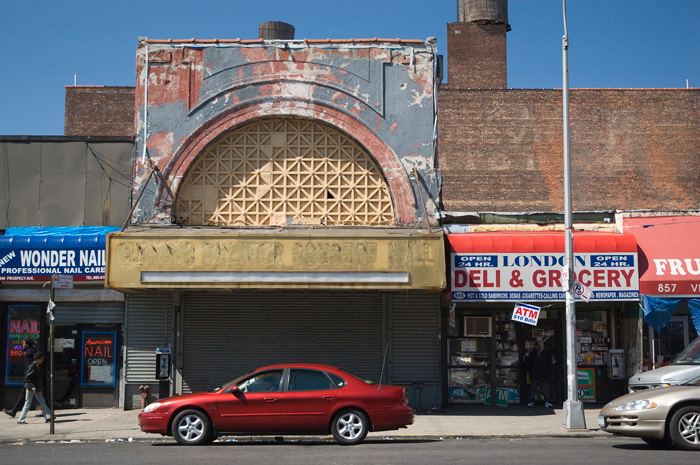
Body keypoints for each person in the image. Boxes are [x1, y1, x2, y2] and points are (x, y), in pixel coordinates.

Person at [3, 339, 37, 418]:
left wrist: (27, 378)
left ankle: (14, 411)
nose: (22, 345)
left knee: (26, 396)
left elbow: (29, 367)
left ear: (27, 344)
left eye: (24, 343)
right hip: (33, 378)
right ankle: (47, 412)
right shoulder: (33, 351)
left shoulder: (29, 353)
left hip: (30, 378)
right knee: (39, 396)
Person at [17, 351, 51, 424]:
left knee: (41, 402)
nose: (42, 360)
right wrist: (32, 386)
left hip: (35, 387)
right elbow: (28, 378)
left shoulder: (36, 366)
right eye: (41, 359)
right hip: (32, 388)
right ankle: (21, 419)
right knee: (28, 403)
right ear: (37, 359)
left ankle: (48, 416)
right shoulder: (33, 366)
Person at [524, 340, 554, 408]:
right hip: (534, 375)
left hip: (543, 376)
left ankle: (547, 401)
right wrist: (531, 373)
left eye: (538, 345)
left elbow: (549, 365)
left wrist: (547, 374)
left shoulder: (546, 354)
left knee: (545, 389)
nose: (537, 347)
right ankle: (531, 402)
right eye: (536, 345)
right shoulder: (532, 354)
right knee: (532, 390)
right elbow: (528, 364)